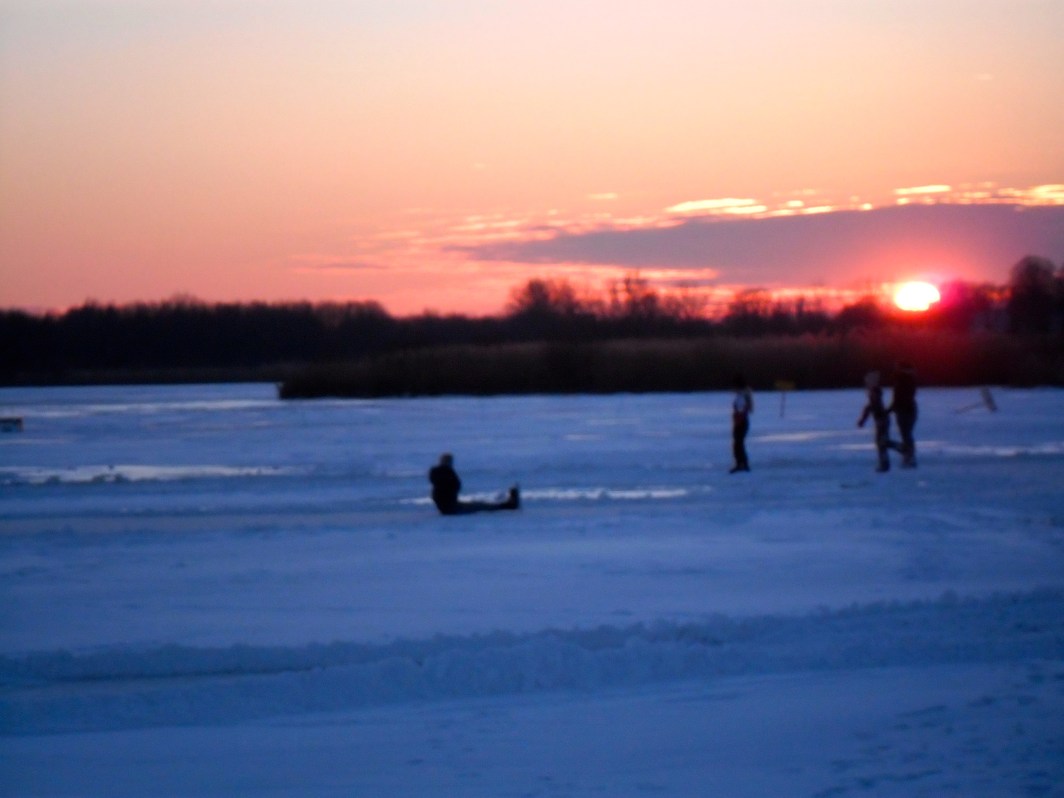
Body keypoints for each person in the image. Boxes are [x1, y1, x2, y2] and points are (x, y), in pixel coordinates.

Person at [428, 453, 520, 515]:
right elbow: (457, 485)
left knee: (479, 505)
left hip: (448, 507)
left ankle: (506, 505)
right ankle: (507, 506)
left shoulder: (437, 478)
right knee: (481, 507)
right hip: (453, 509)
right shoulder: (447, 474)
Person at [857, 370, 896, 472]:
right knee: (882, 443)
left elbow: (869, 409)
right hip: (882, 421)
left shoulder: (875, 400)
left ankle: (886, 462)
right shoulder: (875, 399)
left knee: (881, 443)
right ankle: (886, 462)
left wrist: (862, 421)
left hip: (882, 421)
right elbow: (868, 409)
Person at [887, 362, 918, 468]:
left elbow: (898, 398)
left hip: (904, 410)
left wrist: (889, 410)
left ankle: (908, 456)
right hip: (909, 409)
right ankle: (909, 455)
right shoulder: (910, 380)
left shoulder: (901, 381)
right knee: (907, 434)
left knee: (906, 434)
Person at [729, 374, 753, 473]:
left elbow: (740, 410)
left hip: (740, 422)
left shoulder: (741, 396)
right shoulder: (744, 394)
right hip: (742, 421)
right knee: (739, 444)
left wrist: (737, 420)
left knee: (737, 444)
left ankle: (741, 464)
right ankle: (743, 463)